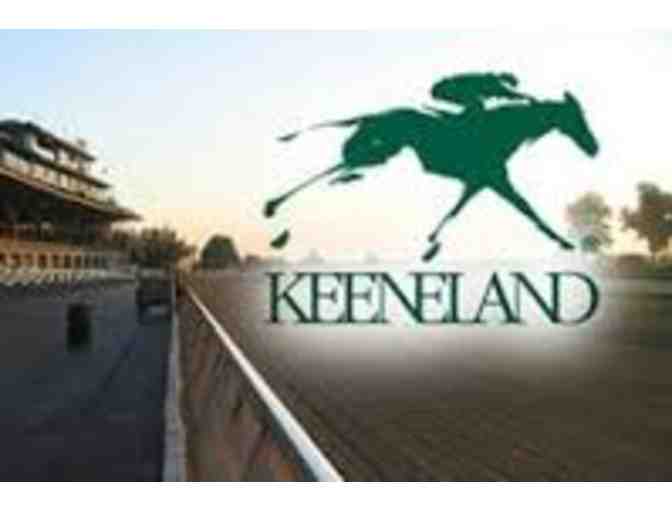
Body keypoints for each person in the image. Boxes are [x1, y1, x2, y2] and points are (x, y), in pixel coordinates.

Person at [426, 72, 535, 118]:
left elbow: (507, 94)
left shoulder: (490, 80)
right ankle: (464, 121)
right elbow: (508, 94)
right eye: (508, 85)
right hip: (446, 88)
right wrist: (528, 98)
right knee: (477, 104)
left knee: (477, 104)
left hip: (446, 87)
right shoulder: (493, 82)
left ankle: (464, 118)